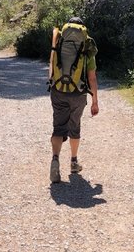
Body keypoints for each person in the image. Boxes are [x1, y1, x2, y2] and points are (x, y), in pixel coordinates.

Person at [47, 16, 99, 184]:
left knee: (58, 127)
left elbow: (51, 65)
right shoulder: (86, 46)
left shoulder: (59, 42)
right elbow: (92, 78)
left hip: (58, 90)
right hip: (78, 93)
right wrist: (95, 101)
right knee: (74, 126)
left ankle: (55, 159)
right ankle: (74, 162)